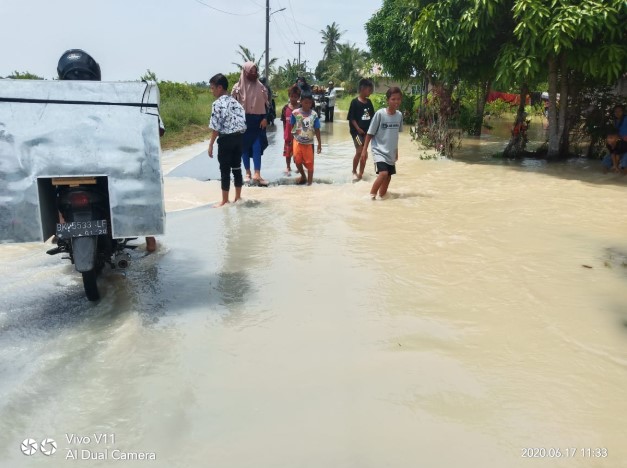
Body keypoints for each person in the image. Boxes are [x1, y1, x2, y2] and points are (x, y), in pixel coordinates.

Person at [57, 49, 159, 251]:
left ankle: (60, 229)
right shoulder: (112, 99)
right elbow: (153, 130)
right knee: (138, 187)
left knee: (55, 189)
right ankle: (150, 239)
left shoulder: (56, 104)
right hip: (105, 168)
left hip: (67, 171)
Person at [207, 73, 247, 206]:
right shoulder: (236, 102)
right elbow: (242, 122)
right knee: (237, 168)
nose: (211, 91)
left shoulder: (217, 104)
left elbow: (216, 127)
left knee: (225, 170)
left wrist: (211, 144)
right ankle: (238, 197)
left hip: (225, 140)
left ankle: (224, 200)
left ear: (219, 88)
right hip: (239, 139)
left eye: (212, 88)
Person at [361, 87, 403, 200]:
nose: (396, 101)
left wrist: (396, 151)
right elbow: (370, 133)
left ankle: (382, 198)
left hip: (391, 152)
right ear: (387, 100)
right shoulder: (380, 114)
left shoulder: (399, 116)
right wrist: (364, 150)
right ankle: (371, 197)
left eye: (398, 99)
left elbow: (396, 135)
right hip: (379, 150)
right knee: (383, 174)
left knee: (388, 177)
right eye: (393, 99)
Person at [232, 62, 269, 186]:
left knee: (257, 146)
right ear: (245, 72)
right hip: (243, 121)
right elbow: (232, 107)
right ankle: (247, 172)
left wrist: (265, 118)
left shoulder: (261, 87)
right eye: (251, 71)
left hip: (258, 121)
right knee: (244, 148)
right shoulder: (237, 88)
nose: (254, 73)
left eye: (255, 71)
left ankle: (257, 173)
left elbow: (266, 105)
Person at [290, 92, 321, 185]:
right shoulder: (295, 113)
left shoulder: (314, 115)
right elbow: (292, 127)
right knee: (297, 160)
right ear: (301, 102)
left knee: (310, 164)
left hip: (309, 143)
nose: (308, 105)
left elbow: (317, 129)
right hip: (297, 141)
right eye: (306, 103)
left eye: (310, 103)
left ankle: (310, 184)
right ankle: (303, 176)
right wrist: (291, 142)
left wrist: (319, 143)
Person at [347, 78, 375, 180]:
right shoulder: (354, 102)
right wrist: (358, 129)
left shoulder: (369, 102)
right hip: (356, 133)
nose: (370, 92)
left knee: (365, 154)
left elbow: (373, 117)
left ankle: (361, 174)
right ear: (362, 89)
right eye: (369, 90)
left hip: (367, 133)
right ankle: (354, 171)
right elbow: (351, 118)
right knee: (360, 152)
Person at [280, 84, 301, 176]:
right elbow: (284, 122)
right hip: (288, 134)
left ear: (298, 97)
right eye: (292, 96)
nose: (293, 98)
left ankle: (298, 167)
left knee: (298, 153)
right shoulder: (285, 108)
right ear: (289, 96)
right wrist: (284, 133)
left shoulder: (301, 108)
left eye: (295, 97)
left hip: (299, 135)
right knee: (288, 153)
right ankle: (288, 167)